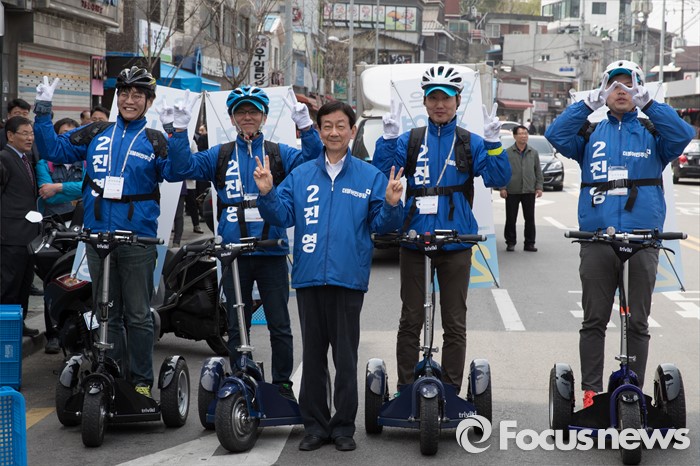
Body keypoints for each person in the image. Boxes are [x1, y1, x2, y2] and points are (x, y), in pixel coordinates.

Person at [32, 68, 198, 397]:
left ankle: (140, 382)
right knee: (106, 312)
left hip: (137, 240)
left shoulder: (154, 140)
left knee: (138, 314)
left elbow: (178, 171)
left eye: (137, 95)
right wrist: (43, 111)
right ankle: (113, 372)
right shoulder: (97, 131)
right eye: (124, 93)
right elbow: (53, 150)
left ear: (149, 101)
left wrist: (178, 133)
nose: (129, 100)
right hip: (97, 238)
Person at [253, 100, 404, 452]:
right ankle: (315, 426)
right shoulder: (302, 174)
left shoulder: (369, 176)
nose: (334, 132)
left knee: (345, 357)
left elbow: (382, 225)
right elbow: (282, 216)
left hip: (348, 278)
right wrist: (267, 193)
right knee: (314, 356)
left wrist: (392, 203)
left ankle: (343, 427)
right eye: (327, 126)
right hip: (308, 278)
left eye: (340, 126)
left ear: (352, 131)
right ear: (319, 131)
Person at [544, 60, 695, 409]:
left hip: (642, 240)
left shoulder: (653, 132)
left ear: (639, 89)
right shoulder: (589, 133)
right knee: (594, 319)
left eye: (629, 85)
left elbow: (683, 135)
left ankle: (632, 391)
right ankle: (591, 392)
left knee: (638, 321)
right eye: (614, 85)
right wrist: (587, 104)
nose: (621, 91)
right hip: (597, 238)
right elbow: (555, 135)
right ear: (604, 91)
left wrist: (650, 105)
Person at [373, 65, 512, 394]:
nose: (440, 104)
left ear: (457, 101)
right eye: (433, 98)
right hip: (414, 240)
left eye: (446, 98)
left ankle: (450, 390)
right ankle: (406, 389)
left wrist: (494, 144)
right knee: (410, 319)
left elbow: (498, 178)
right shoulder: (411, 140)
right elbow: (382, 174)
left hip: (456, 243)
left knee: (454, 322)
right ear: (424, 101)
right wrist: (388, 139)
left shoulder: (469, 142)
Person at [179, 85, 323, 400]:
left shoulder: (278, 153)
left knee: (279, 323)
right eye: (241, 112)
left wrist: (307, 128)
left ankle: (282, 384)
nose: (247, 117)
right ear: (232, 118)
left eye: (253, 111)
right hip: (233, 254)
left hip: (271, 251)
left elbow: (315, 164)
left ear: (264, 117)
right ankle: (241, 376)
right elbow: (182, 168)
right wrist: (178, 132)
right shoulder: (220, 154)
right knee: (236, 321)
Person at [36, 117, 84, 354]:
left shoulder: (85, 161)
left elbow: (90, 187)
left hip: (81, 228)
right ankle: (53, 334)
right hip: (53, 231)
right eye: (64, 134)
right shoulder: (44, 163)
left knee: (81, 280)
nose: (70, 138)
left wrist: (59, 187)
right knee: (53, 280)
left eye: (74, 134)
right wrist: (71, 190)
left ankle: (80, 333)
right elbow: (48, 195)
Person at [0, 116, 42, 337]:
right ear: (10, 135)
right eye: (24, 133)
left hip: (28, 235)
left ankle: (19, 323)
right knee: (9, 285)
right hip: (10, 236)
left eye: (31, 133)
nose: (29, 138)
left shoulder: (26, 159)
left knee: (24, 284)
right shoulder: (4, 158)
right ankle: (5, 328)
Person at [500, 125, 543, 252]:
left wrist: (539, 187)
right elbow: (503, 171)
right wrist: (502, 187)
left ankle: (529, 243)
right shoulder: (507, 153)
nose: (524, 136)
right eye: (521, 133)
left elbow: (538, 171)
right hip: (512, 190)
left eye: (525, 133)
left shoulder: (533, 152)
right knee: (511, 218)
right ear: (514, 136)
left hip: (529, 190)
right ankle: (510, 242)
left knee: (530, 219)